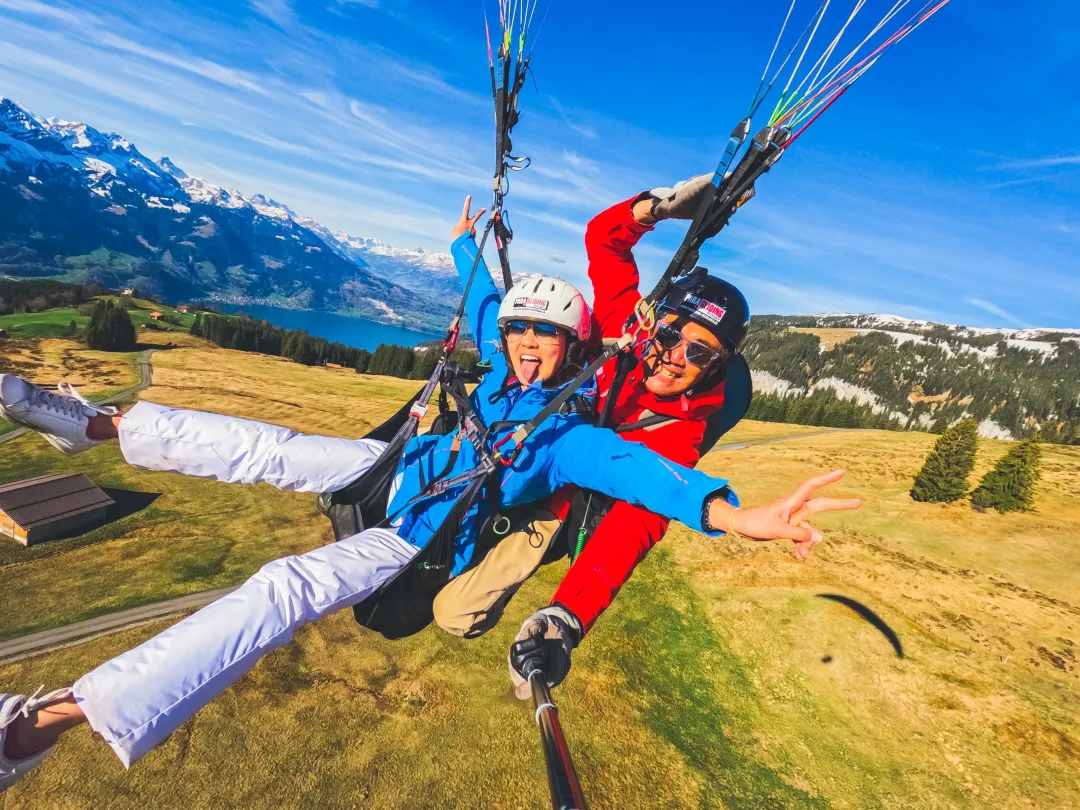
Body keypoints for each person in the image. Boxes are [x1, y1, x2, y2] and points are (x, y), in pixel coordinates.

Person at [0, 196, 859, 792]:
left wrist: (737, 514)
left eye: (547, 336)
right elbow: (492, 301)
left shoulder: (574, 436)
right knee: (262, 444)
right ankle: (86, 426)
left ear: (576, 350)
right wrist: (464, 243)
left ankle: (43, 727)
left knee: (285, 586)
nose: (526, 344)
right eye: (521, 331)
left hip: (420, 532)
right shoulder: (510, 345)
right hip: (390, 470)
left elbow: (648, 480)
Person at [429, 179, 764, 695]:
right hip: (517, 456)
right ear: (654, 324)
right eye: (672, 335)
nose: (676, 356)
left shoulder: (681, 431)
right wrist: (658, 208)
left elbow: (637, 522)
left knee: (454, 612)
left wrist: (566, 616)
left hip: (560, 504)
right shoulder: (623, 328)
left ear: (717, 369)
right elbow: (603, 241)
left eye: (699, 353)